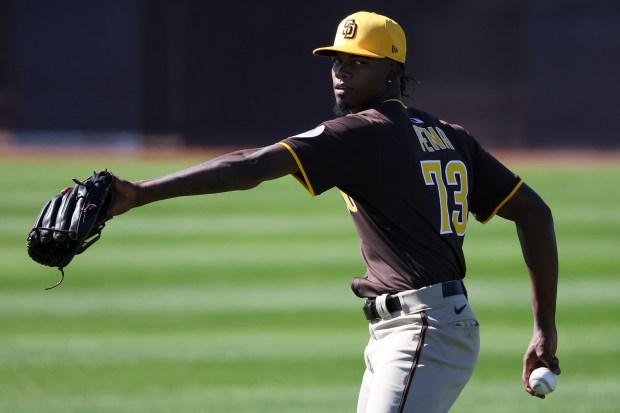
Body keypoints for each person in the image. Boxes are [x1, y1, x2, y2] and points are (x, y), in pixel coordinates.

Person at [107, 11, 560, 413]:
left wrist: (141, 193)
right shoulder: (449, 134)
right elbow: (534, 213)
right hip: (410, 330)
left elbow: (251, 165)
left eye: (360, 62)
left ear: (393, 72)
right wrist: (544, 331)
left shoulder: (365, 132)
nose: (343, 71)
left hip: (423, 331)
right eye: (338, 61)